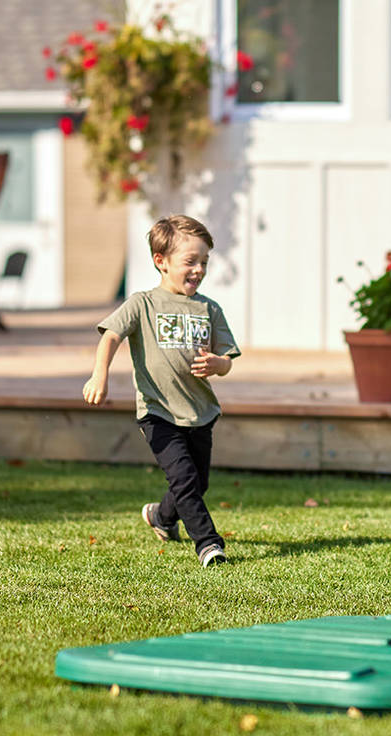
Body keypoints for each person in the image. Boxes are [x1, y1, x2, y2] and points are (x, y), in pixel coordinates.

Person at [83, 214, 240, 567]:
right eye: (190, 261)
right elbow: (111, 335)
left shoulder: (209, 308)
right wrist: (99, 375)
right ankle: (208, 544)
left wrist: (219, 364)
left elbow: (227, 357)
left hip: (200, 411)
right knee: (184, 478)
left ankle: (162, 517)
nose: (199, 269)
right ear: (161, 261)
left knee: (196, 483)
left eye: (204, 262)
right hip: (158, 412)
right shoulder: (142, 304)